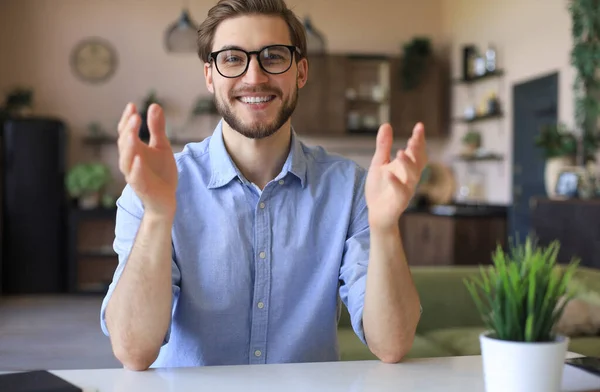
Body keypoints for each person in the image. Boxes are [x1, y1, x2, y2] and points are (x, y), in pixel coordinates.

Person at [101, 0, 426, 371]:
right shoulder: (156, 187)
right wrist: (158, 215)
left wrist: (385, 229)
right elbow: (133, 351)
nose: (254, 76)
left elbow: (392, 345)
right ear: (210, 75)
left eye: (273, 56)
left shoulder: (351, 189)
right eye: (233, 59)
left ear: (301, 71)